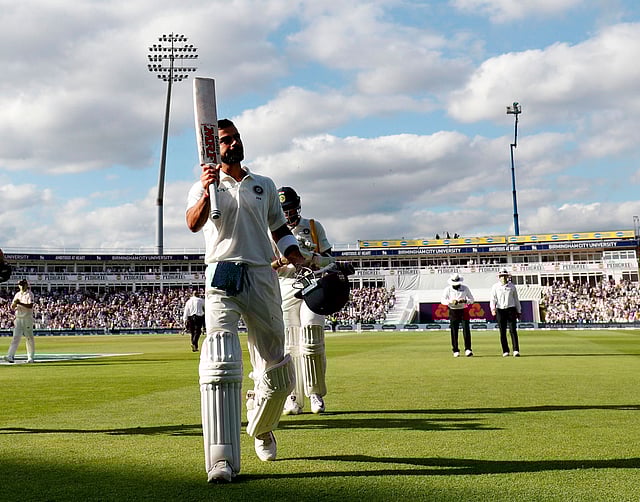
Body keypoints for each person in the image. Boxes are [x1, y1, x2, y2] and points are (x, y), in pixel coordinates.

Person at [186, 118, 307, 484]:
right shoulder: (202, 185)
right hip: (221, 272)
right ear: (214, 147)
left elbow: (279, 229)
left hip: (260, 272)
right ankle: (220, 459)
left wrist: (296, 255)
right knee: (220, 357)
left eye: (236, 138)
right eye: (225, 140)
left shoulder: (263, 185)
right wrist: (208, 191)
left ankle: (262, 426)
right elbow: (193, 223)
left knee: (278, 367)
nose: (233, 143)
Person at [273, 186, 334, 415]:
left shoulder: (312, 227)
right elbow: (267, 267)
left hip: (313, 285)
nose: (287, 214)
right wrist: (281, 263)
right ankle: (293, 396)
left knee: (312, 339)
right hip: (286, 288)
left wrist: (311, 258)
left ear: (297, 205)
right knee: (290, 345)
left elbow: (329, 259)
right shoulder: (272, 232)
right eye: (283, 210)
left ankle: (315, 393)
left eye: (289, 208)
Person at [441, 273, 474, 357]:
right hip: (453, 311)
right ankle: (455, 350)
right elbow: (443, 300)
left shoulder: (465, 288)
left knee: (466, 330)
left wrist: (465, 301)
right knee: (454, 331)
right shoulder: (447, 289)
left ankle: (468, 349)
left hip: (463, 310)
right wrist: (451, 302)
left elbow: (472, 299)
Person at [490, 268, 522, 357]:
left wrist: (519, 311)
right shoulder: (495, 287)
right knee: (502, 332)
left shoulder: (512, 286)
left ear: (507, 276)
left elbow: (516, 299)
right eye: (501, 276)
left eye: (504, 276)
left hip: (511, 309)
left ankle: (516, 350)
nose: (503, 278)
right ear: (499, 277)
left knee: (513, 330)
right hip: (500, 310)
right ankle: (505, 350)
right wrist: (493, 309)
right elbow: (493, 299)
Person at [5, 279, 35, 363]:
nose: (21, 286)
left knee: (29, 337)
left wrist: (19, 303)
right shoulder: (17, 294)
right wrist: (14, 304)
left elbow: (30, 305)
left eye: (22, 284)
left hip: (27, 318)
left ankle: (30, 357)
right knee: (15, 337)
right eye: (19, 285)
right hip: (18, 318)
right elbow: (12, 306)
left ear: (26, 285)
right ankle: (10, 356)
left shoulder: (29, 294)